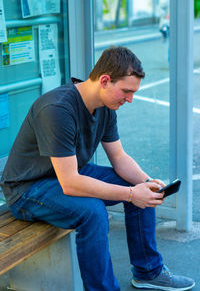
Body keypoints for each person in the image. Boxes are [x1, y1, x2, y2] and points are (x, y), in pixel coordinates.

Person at [0, 46, 195, 291]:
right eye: (126, 91)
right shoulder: (57, 110)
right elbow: (70, 183)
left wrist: (148, 183)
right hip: (28, 189)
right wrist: (133, 194)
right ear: (104, 80)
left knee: (139, 187)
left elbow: (120, 157)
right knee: (93, 212)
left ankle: (148, 271)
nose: (130, 99)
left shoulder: (105, 106)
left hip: (67, 175)